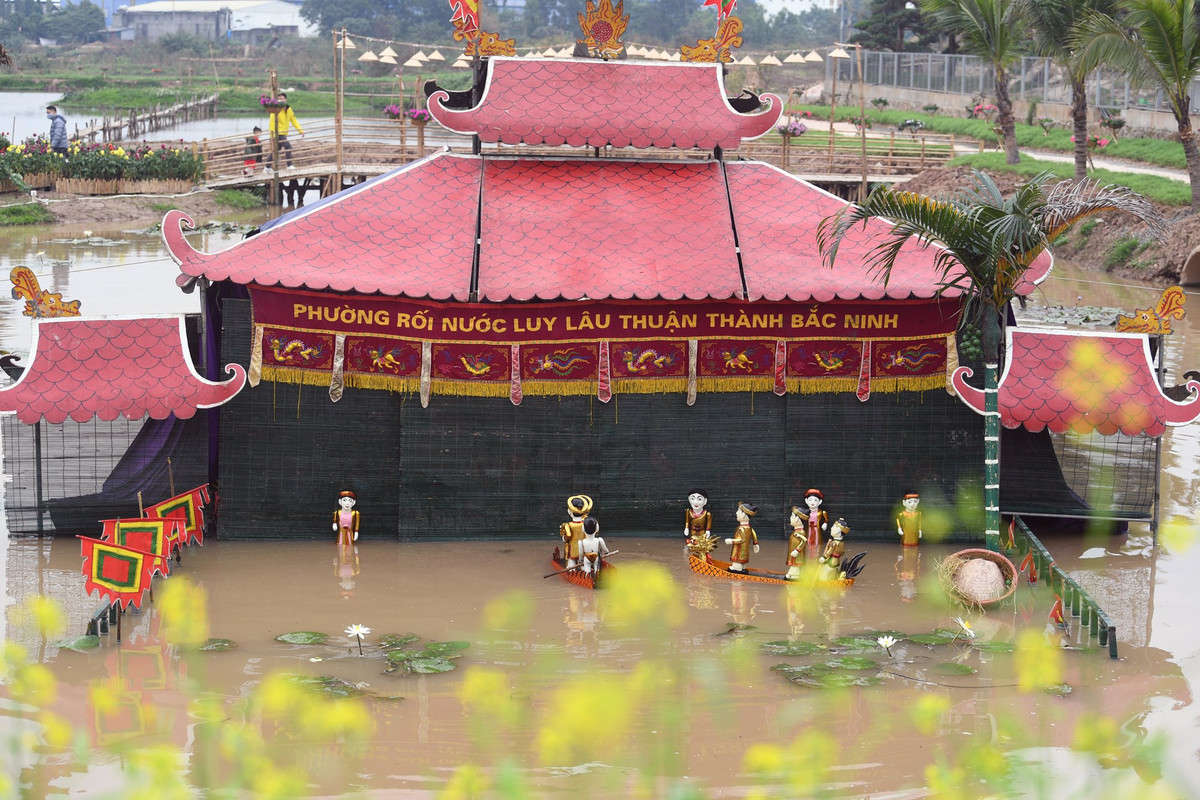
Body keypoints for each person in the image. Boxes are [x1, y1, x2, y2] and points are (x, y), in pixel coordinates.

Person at [266, 92, 303, 171]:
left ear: (285, 99)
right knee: (288, 147)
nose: (280, 100)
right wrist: (272, 134)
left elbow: (293, 120)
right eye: (279, 99)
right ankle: (289, 165)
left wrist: (300, 130)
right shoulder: (275, 109)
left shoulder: (288, 109)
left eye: (282, 99)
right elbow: (271, 122)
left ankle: (267, 167)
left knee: (276, 151)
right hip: (277, 133)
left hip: (284, 132)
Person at [558, 494, 592, 568]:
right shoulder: (586, 523)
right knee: (583, 562)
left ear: (569, 512)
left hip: (573, 547)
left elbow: (568, 535)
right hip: (585, 547)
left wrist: (564, 538)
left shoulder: (568, 525)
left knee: (571, 561)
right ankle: (585, 570)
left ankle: (572, 569)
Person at [724, 502, 759, 573]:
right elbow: (754, 534)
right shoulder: (749, 527)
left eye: (738, 511)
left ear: (743, 515)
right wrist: (755, 543)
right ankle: (742, 567)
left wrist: (731, 541)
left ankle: (737, 568)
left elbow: (742, 540)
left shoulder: (742, 528)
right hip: (745, 549)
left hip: (739, 548)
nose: (736, 513)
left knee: (738, 558)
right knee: (743, 558)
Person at [798, 488, 828, 553]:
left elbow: (826, 519)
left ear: (820, 502)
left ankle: (817, 554)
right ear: (806, 501)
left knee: (817, 543)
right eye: (810, 500)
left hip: (816, 530)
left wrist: (825, 523)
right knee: (807, 543)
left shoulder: (821, 512)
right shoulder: (805, 512)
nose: (812, 502)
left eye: (815, 500)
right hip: (808, 529)